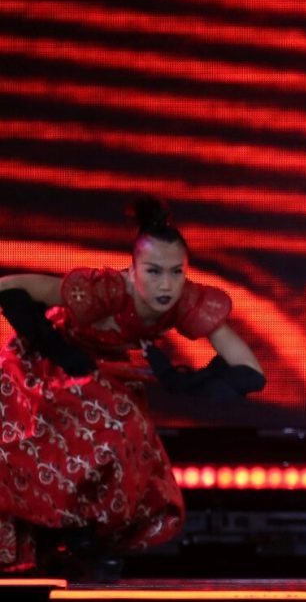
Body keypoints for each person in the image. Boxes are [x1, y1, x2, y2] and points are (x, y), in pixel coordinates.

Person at [0, 196, 265, 580]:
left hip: (103, 378)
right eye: (153, 271)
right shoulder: (106, 290)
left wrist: (187, 380)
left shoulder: (185, 301)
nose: (166, 284)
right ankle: (76, 536)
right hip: (46, 369)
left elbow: (250, 371)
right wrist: (56, 348)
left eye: (176, 272)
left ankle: (80, 541)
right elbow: (8, 286)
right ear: (133, 269)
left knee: (136, 454)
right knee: (119, 426)